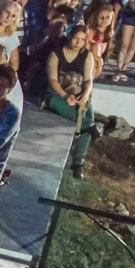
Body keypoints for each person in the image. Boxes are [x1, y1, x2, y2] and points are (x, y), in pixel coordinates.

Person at [45, 25, 103, 179]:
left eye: (82, 40)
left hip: (78, 93)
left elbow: (88, 80)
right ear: (70, 36)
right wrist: (65, 96)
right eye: (76, 38)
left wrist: (85, 94)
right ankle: (91, 128)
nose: (78, 42)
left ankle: (79, 163)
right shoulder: (56, 54)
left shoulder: (87, 56)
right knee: (86, 122)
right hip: (58, 94)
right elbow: (52, 80)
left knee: (87, 115)